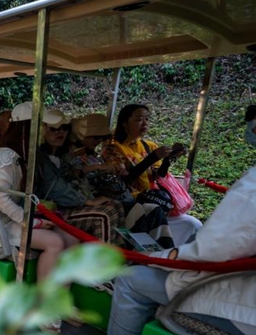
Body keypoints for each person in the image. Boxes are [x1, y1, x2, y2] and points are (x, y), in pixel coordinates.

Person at [91, 162, 256, 335]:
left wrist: (154, 258)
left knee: (131, 278)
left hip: (240, 307)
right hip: (240, 291)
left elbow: (211, 249)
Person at [0, 103, 79, 283]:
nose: (47, 130)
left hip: (21, 217)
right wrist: (32, 222)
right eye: (44, 125)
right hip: (0, 222)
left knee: (71, 239)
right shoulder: (3, 158)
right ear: (27, 128)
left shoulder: (29, 156)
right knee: (54, 242)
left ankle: (60, 298)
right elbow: (2, 202)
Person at [68, 113, 175, 248]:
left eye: (102, 137)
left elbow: (145, 175)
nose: (99, 141)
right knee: (136, 212)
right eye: (96, 137)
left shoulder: (94, 154)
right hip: (98, 199)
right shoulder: (75, 155)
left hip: (119, 196)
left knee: (154, 210)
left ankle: (166, 252)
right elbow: (75, 173)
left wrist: (117, 170)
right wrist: (100, 167)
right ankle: (134, 253)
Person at [102, 104, 201, 245]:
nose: (145, 123)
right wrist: (152, 158)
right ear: (125, 123)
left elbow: (158, 175)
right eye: (139, 119)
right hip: (131, 204)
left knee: (193, 224)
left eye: (147, 119)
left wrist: (167, 159)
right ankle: (164, 257)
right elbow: (125, 178)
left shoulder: (148, 145)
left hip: (152, 200)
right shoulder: (113, 147)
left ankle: (179, 257)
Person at [36, 108, 124, 245]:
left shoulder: (63, 155)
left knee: (116, 204)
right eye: (54, 129)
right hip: (53, 208)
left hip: (70, 202)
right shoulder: (42, 157)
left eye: (64, 128)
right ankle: (101, 263)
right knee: (105, 214)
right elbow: (55, 187)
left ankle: (119, 251)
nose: (60, 132)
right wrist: (87, 201)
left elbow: (73, 174)